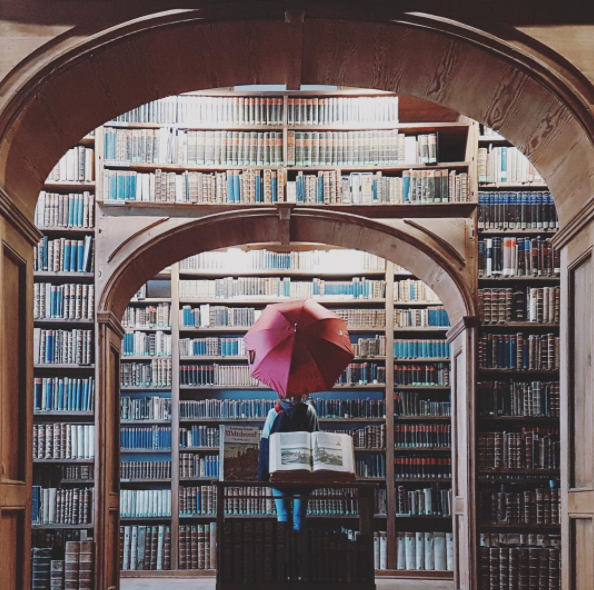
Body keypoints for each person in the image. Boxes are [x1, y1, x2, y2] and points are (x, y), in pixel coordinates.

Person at [258, 393, 319, 531]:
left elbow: (265, 445)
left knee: (283, 516)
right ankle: (298, 550)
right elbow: (316, 440)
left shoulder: (273, 413)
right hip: (303, 473)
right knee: (299, 517)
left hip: (278, 472)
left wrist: (263, 476)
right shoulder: (309, 412)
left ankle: (283, 549)